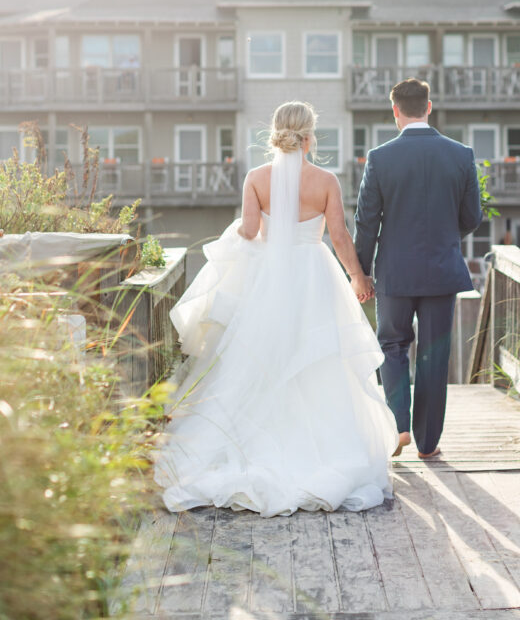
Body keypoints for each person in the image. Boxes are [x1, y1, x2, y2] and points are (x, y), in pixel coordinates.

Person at [154, 101, 398, 516]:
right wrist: (358, 277)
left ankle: (250, 448)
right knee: (318, 359)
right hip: (313, 277)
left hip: (267, 279)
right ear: (309, 135)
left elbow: (250, 231)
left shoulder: (256, 178)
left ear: (276, 133)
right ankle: (322, 450)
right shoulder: (324, 180)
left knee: (259, 357)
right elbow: (338, 235)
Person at [354, 78, 483, 460]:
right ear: (430, 107)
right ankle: (428, 443)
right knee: (434, 354)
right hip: (442, 271)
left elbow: (366, 222)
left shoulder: (379, 158)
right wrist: (444, 234)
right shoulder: (461, 155)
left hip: (394, 272)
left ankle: (399, 427)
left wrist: (361, 273)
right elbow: (472, 217)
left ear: (395, 111)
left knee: (392, 346)